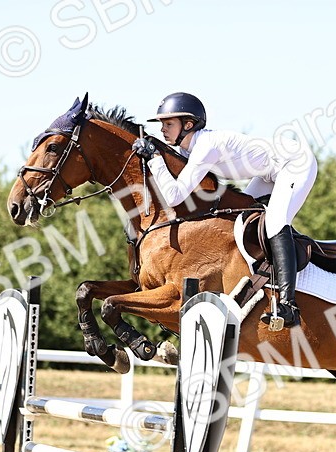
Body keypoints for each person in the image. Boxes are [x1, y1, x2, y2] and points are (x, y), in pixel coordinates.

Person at [130, 92, 317, 330]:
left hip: (294, 163)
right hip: (268, 173)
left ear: (188, 125)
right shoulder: (189, 148)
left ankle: (289, 306)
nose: (163, 129)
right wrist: (151, 150)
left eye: (168, 124)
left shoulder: (205, 147)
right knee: (243, 217)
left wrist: (155, 158)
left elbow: (175, 195)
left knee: (274, 223)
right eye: (162, 125)